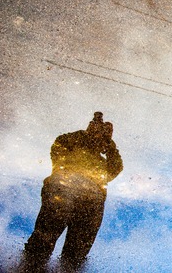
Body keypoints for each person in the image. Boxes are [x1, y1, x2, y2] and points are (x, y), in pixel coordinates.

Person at [22, 112, 123, 272]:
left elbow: (116, 167)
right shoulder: (71, 149)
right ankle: (29, 267)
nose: (96, 139)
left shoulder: (102, 163)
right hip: (63, 188)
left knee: (76, 254)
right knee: (43, 241)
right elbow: (59, 143)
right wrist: (85, 135)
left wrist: (109, 144)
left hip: (91, 200)